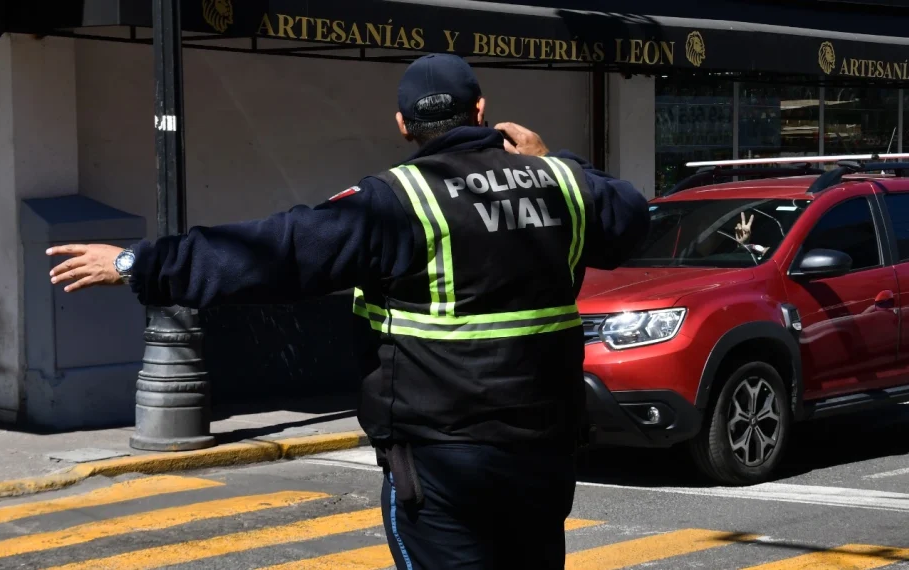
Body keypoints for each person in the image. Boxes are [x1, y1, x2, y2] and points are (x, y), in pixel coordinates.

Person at [46, 53, 648, 569]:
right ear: (482, 111)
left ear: (403, 124)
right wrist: (557, 161)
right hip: (544, 454)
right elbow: (631, 221)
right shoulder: (561, 184)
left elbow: (273, 251)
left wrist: (137, 263)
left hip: (442, 460)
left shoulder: (398, 200)